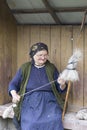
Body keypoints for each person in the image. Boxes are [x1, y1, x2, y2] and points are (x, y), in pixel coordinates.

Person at [8, 42, 67, 130]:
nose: (43, 58)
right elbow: (13, 84)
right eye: (40, 55)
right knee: (31, 122)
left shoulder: (51, 68)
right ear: (33, 55)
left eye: (45, 55)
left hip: (49, 102)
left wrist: (62, 84)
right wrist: (14, 94)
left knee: (53, 119)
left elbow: (60, 89)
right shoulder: (25, 68)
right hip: (30, 102)